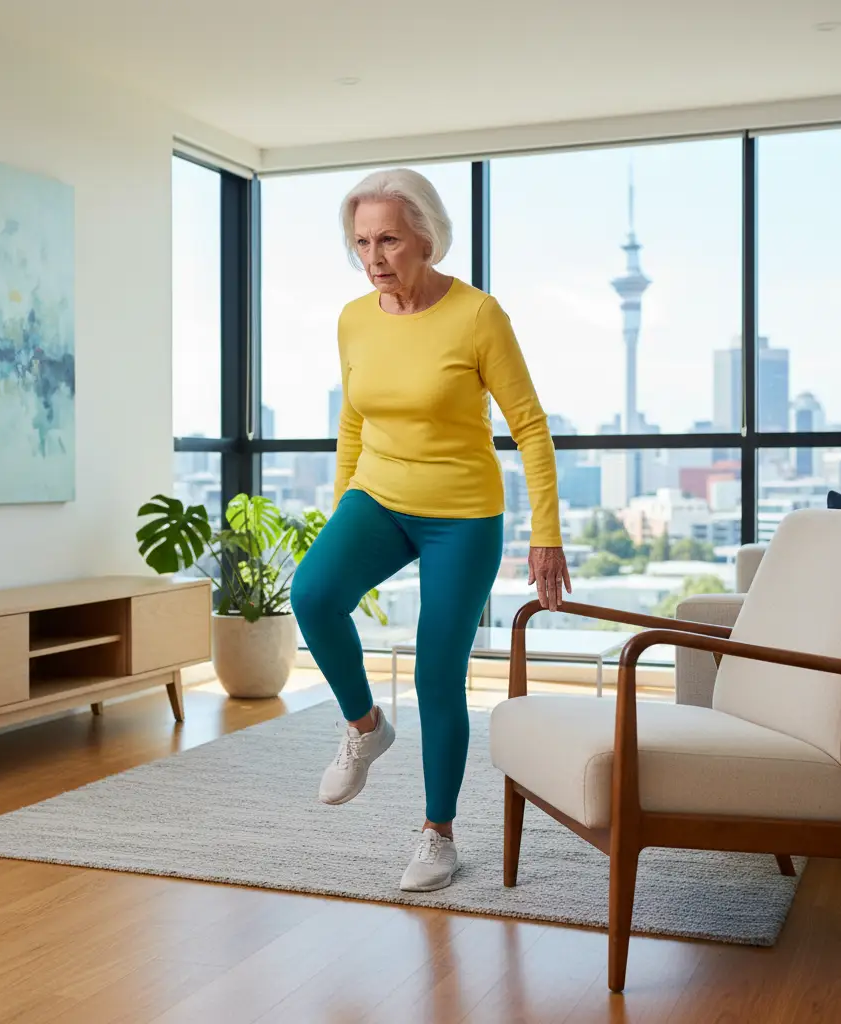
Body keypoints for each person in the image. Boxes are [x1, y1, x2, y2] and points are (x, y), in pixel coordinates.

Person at [290, 167, 570, 893]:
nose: (374, 256)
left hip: (462, 514)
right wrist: (342, 507)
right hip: (376, 496)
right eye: (360, 242)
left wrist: (548, 533)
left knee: (435, 671)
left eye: (387, 238)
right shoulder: (355, 318)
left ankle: (437, 834)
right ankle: (364, 727)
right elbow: (353, 417)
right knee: (314, 594)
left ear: (426, 237)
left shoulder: (478, 316)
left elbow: (531, 428)